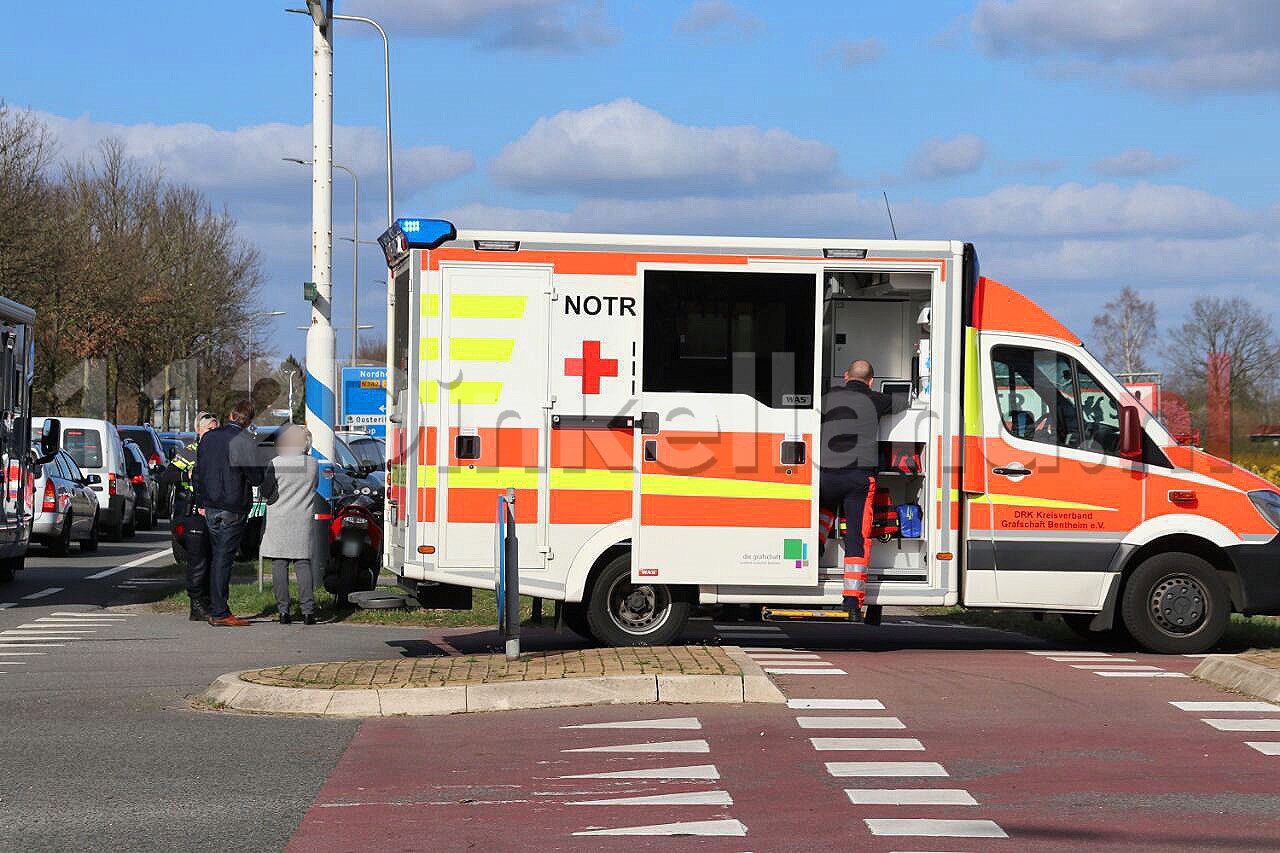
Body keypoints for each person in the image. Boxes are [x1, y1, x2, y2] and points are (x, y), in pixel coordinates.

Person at [819, 359, 906, 621]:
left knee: (822, 513)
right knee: (857, 536)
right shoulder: (876, 400)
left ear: (845, 376)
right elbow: (904, 401)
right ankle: (852, 603)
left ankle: (814, 553)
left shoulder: (826, 398)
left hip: (826, 476)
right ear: (871, 381)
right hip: (858, 479)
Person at [193, 400, 265, 627]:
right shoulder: (244, 441)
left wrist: (202, 499)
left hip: (211, 504)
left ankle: (216, 608)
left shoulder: (209, 438)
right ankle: (220, 611)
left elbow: (199, 472)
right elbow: (256, 478)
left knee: (217, 557)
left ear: (231, 415)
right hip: (232, 505)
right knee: (224, 559)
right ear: (249, 420)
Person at [159, 412, 219, 620]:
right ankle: (197, 604)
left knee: (215, 559)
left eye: (216, 429)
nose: (213, 433)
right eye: (209, 429)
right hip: (193, 512)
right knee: (199, 559)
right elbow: (166, 476)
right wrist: (187, 474)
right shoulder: (190, 452)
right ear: (199, 431)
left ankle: (213, 601)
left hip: (215, 511)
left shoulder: (222, 451)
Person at [259, 424, 319, 625]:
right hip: (302, 519)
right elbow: (315, 486)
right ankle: (308, 611)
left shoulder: (276, 463)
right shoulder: (313, 464)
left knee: (279, 564)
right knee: (302, 563)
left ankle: (283, 611)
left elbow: (266, 491)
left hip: (279, 519)